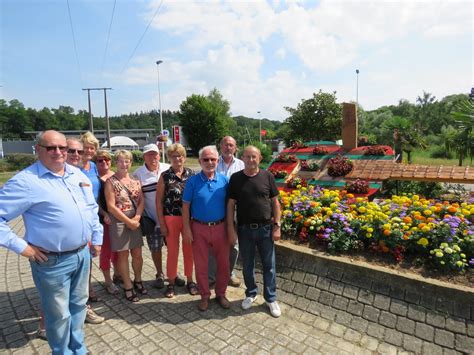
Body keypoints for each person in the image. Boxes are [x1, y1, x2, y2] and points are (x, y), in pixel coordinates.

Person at [0, 130, 103, 354]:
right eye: (51, 148)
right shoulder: (26, 181)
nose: (58, 152)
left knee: (78, 307)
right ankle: (62, 351)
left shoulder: (77, 175)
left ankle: (78, 348)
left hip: (82, 255)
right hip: (51, 262)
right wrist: (22, 247)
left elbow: (91, 209)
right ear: (37, 150)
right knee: (58, 314)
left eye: (62, 148)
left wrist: (97, 238)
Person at [226, 145, 282, 318]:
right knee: (248, 265)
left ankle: (270, 298)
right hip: (244, 230)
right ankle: (251, 293)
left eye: (254, 157)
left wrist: (277, 225)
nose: (251, 160)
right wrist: (230, 228)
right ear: (242, 158)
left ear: (259, 159)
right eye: (248, 156)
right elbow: (230, 205)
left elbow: (275, 203)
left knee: (269, 266)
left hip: (265, 229)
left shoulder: (267, 176)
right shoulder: (235, 179)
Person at [182, 145, 231, 311]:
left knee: (223, 264)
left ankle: (221, 293)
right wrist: (187, 229)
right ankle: (204, 295)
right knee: (201, 264)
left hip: (221, 227)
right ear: (199, 161)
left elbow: (231, 206)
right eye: (206, 159)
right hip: (199, 228)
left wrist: (231, 228)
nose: (209, 162)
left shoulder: (225, 180)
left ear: (218, 161)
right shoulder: (192, 181)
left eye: (213, 159)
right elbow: (186, 206)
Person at [133, 143, 181, 289]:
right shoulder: (138, 174)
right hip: (152, 219)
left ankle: (174, 273)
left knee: (173, 248)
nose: (152, 157)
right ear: (144, 157)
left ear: (159, 155)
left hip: (170, 218)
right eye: (149, 154)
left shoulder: (168, 167)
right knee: (155, 249)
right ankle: (159, 274)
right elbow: (137, 198)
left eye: (155, 154)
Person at [156, 143, 197, 298]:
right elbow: (158, 201)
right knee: (172, 252)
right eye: (174, 156)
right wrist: (161, 223)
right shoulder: (165, 176)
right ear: (170, 158)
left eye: (180, 155)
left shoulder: (192, 175)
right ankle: (171, 282)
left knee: (189, 251)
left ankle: (190, 280)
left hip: (189, 220)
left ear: (184, 157)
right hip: (171, 218)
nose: (177, 158)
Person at [105, 150, 146, 302]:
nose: (124, 164)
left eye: (127, 161)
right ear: (116, 163)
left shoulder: (135, 180)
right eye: (121, 161)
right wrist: (128, 221)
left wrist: (137, 217)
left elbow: (141, 200)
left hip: (135, 219)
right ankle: (128, 286)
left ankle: (138, 280)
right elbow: (111, 206)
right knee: (123, 255)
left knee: (137, 254)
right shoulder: (111, 182)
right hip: (119, 221)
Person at [209, 136, 244, 288]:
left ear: (235, 148)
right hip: (216, 208)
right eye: (225, 145)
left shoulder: (241, 164)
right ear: (220, 147)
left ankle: (229, 273)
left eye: (231, 145)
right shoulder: (214, 162)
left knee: (233, 243)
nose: (228, 147)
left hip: (236, 209)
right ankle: (212, 276)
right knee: (213, 243)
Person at [95, 149, 119, 295]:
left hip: (117, 218)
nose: (104, 162)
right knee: (106, 251)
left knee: (118, 249)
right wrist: (104, 214)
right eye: (100, 160)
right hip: (104, 219)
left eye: (107, 159)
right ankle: (108, 281)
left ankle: (118, 274)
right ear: (95, 162)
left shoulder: (115, 176)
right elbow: (93, 201)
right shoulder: (94, 179)